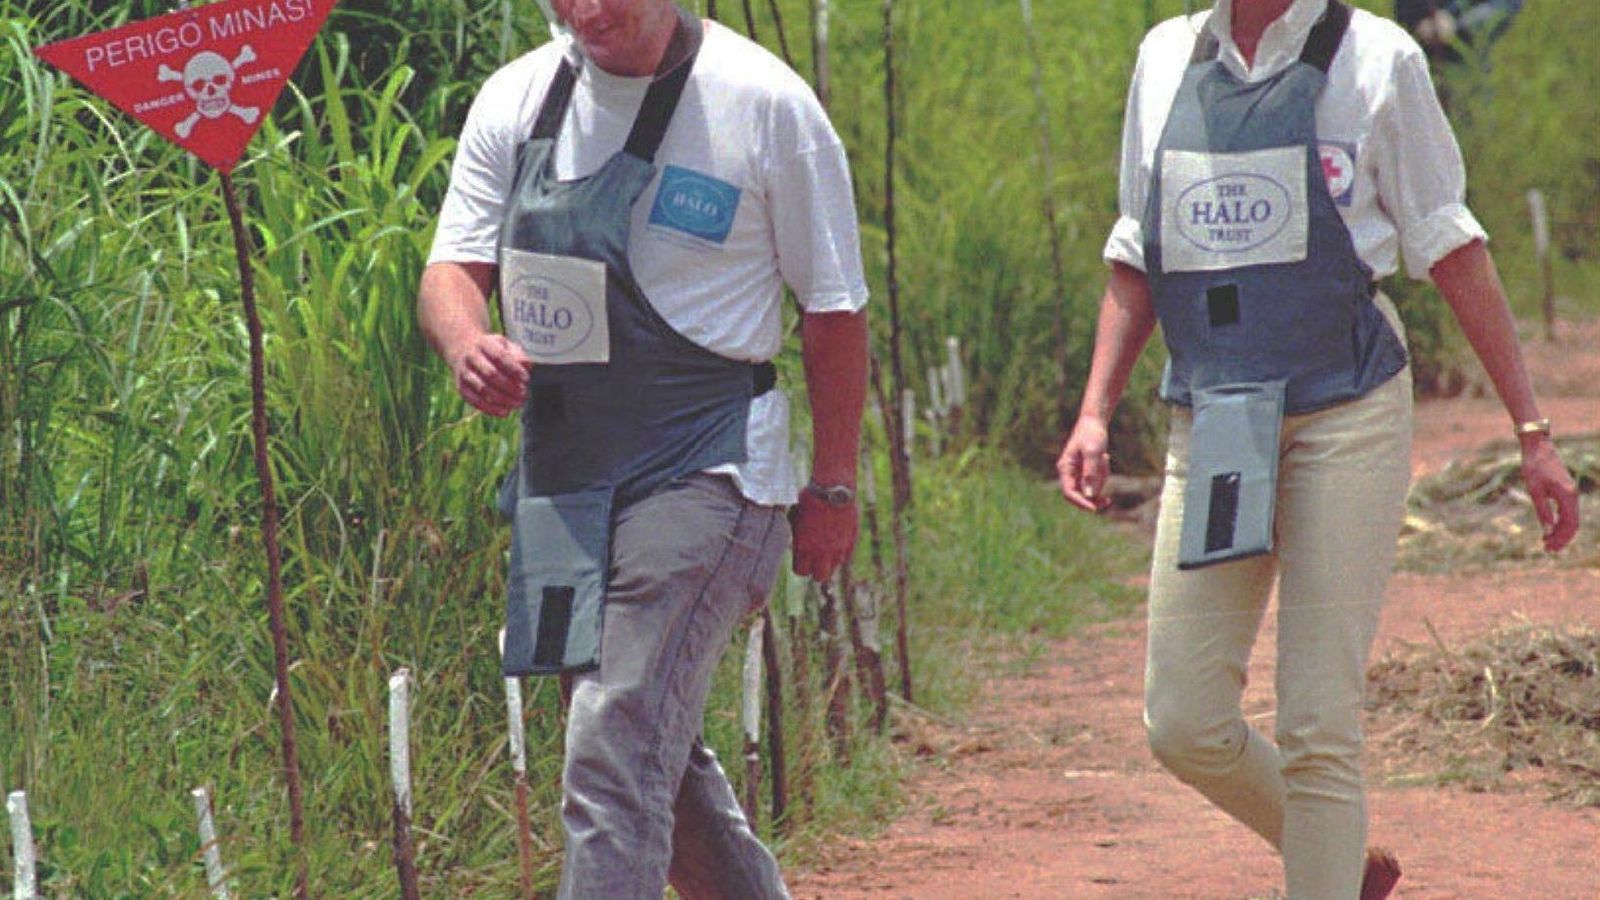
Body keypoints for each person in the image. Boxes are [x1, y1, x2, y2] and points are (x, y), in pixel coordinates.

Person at [1055, 1, 1579, 897]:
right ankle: (1333, 858)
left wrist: (1532, 434)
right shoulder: (1165, 57)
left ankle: (1322, 870)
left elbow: (1452, 246)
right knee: (1182, 718)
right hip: (1217, 414)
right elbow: (1138, 253)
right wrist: (1095, 410)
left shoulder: (1381, 61)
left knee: (1317, 722)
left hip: (1347, 411)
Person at [417, 0, 869, 896]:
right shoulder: (519, 100)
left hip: (711, 468)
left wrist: (833, 489)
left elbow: (834, 315)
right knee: (643, 743)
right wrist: (467, 343)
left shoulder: (765, 107)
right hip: (566, 485)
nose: (585, 11)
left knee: (612, 740)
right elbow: (453, 269)